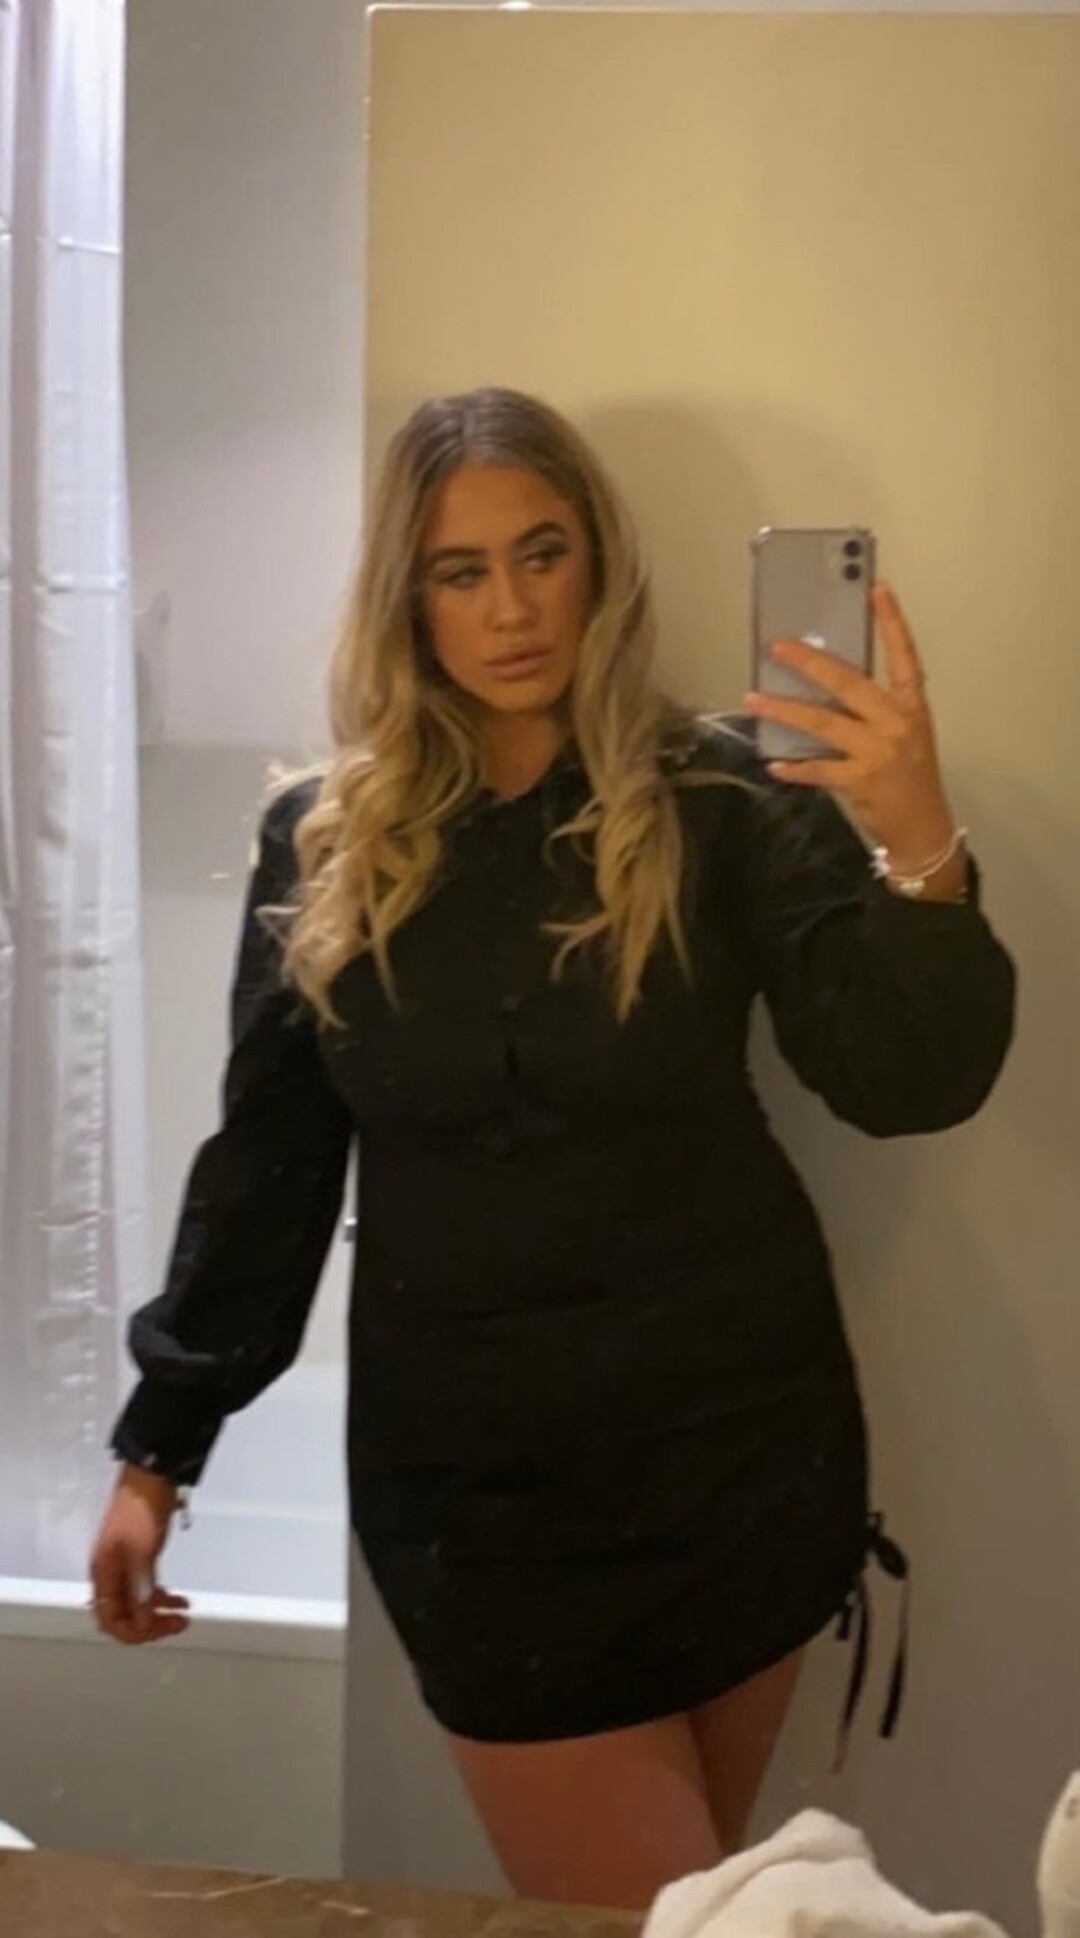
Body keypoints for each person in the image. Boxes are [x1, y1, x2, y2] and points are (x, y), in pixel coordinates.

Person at [89, 388, 1015, 1909]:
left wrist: (916, 839)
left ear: (601, 563)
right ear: (409, 598)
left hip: (742, 1449)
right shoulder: (326, 842)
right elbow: (267, 1171)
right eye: (461, 571)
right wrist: (160, 1452)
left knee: (692, 1912)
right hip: (484, 1502)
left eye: (542, 553)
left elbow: (907, 1079)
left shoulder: (722, 797)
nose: (512, 609)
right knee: (676, 1916)